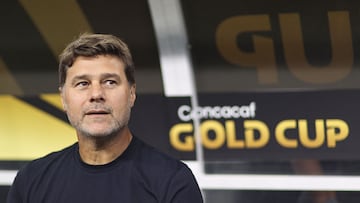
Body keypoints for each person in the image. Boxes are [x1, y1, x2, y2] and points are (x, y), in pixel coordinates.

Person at [7, 33, 203, 203]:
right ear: (63, 98)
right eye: (82, 83)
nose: (96, 94)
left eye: (110, 82)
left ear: (132, 93)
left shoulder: (173, 181)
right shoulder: (31, 180)